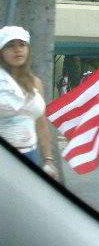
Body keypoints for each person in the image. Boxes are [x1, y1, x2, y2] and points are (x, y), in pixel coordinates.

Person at [0, 26, 59, 180]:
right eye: (10, 45)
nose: (17, 49)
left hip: (31, 155)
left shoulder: (36, 83)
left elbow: (41, 124)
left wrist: (48, 159)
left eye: (22, 44)